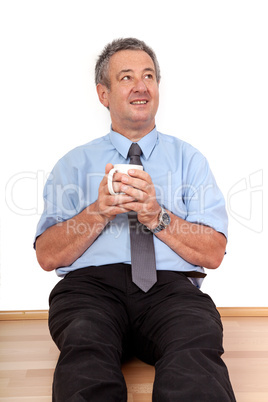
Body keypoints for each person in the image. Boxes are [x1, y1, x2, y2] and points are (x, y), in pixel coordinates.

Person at [34, 37, 236, 401]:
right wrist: (98, 212)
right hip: (89, 290)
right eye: (126, 77)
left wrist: (157, 217)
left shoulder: (190, 160)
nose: (141, 86)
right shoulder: (72, 164)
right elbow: (47, 256)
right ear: (103, 94)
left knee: (195, 345)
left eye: (149, 75)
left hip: (171, 290)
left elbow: (214, 253)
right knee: (84, 348)